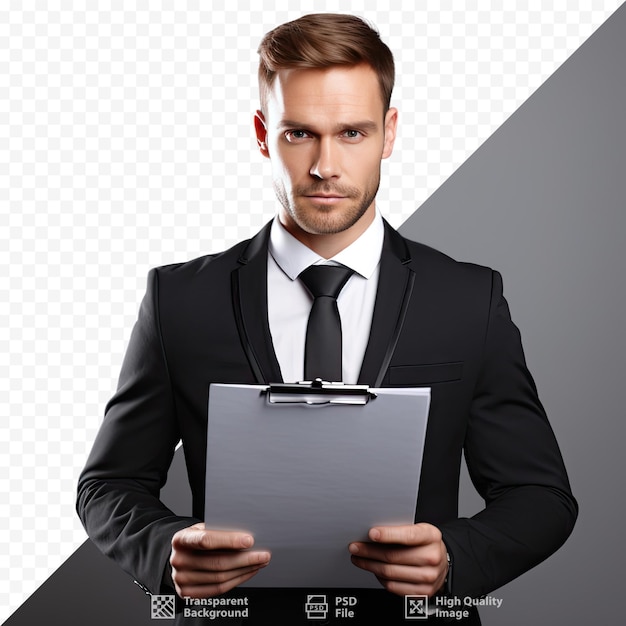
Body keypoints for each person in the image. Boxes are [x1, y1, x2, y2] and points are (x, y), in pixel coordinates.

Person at [77, 13, 577, 625]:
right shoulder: (180, 298)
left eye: (352, 133)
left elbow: (541, 496)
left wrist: (454, 560)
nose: (324, 165)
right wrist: (166, 555)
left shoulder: (469, 298)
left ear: (389, 133)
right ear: (263, 134)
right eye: (299, 134)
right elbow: (108, 485)